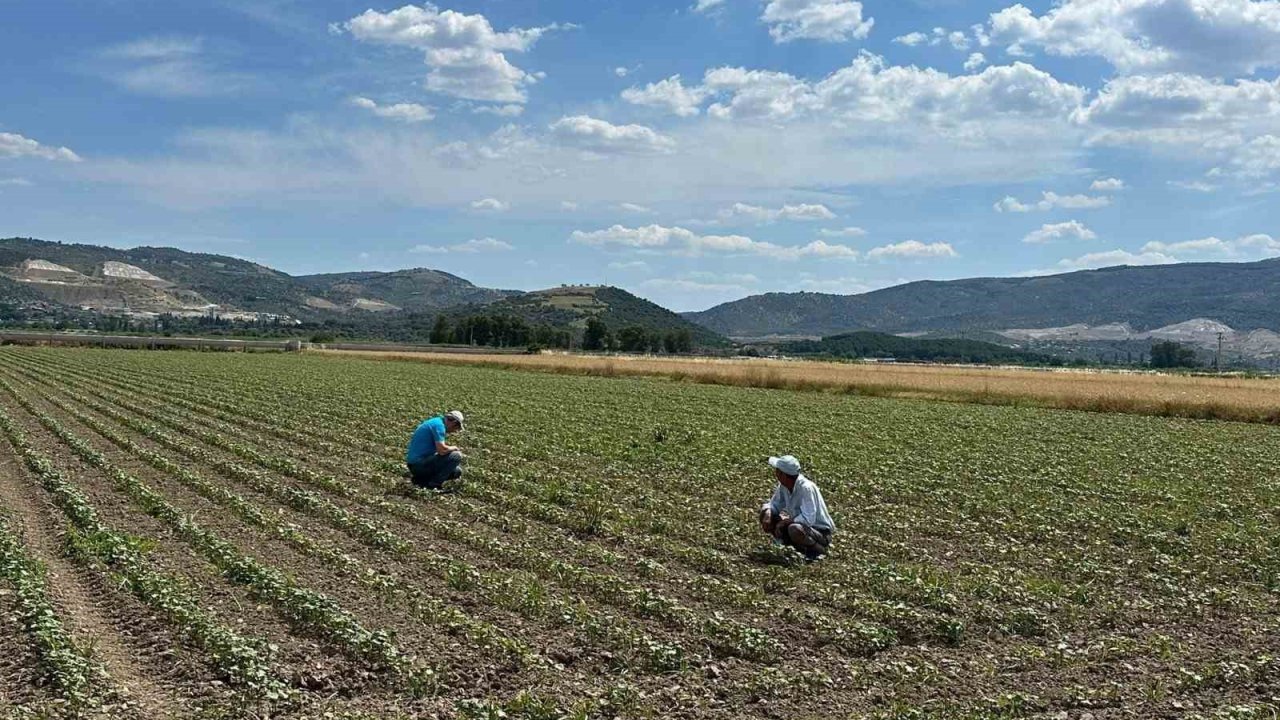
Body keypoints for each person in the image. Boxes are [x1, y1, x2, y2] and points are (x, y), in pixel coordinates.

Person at [759, 455, 835, 561]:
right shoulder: (784, 486)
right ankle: (788, 545)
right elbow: (774, 504)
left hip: (820, 533)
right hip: (801, 528)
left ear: (783, 474)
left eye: (777, 471)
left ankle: (818, 551)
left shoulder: (806, 488)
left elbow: (808, 519)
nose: (775, 473)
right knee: (765, 513)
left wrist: (785, 522)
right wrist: (768, 512)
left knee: (794, 529)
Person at [405, 410, 466, 489]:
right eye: (456, 428)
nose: (454, 431)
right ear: (453, 423)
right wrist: (454, 448)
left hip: (418, 464)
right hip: (418, 465)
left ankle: (422, 480)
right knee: (456, 456)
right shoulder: (439, 426)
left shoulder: (436, 422)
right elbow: (442, 450)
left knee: (457, 471)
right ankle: (433, 485)